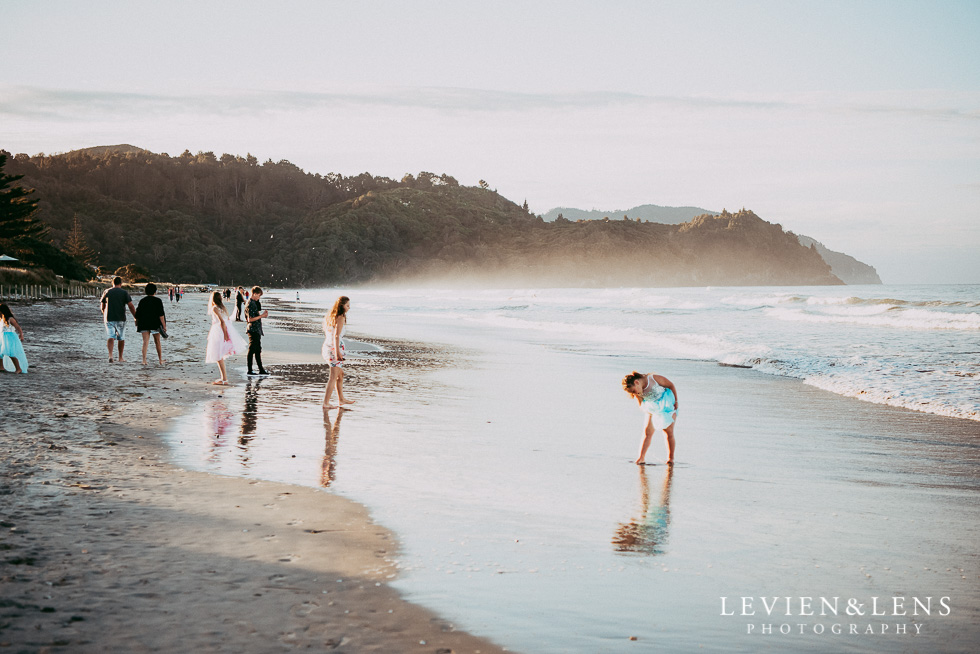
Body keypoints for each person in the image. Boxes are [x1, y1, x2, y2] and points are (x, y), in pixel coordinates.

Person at [623, 370, 679, 465]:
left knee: (668, 432)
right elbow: (641, 405)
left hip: (668, 406)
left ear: (636, 382)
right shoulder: (638, 393)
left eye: (634, 391)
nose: (635, 394)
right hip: (653, 408)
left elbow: (671, 385)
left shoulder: (653, 378)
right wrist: (649, 412)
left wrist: (676, 401)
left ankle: (671, 458)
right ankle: (641, 457)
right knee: (647, 432)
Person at [205, 291, 247, 385]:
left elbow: (222, 322)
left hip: (219, 331)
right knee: (219, 355)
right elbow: (226, 320)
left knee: (218, 354)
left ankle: (224, 379)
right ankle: (223, 378)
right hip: (222, 329)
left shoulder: (215, 308)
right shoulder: (222, 308)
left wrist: (225, 334)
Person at [322, 295, 354, 409]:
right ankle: (326, 403)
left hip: (329, 346)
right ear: (342, 306)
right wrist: (337, 353)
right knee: (333, 376)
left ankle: (341, 399)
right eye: (347, 305)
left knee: (340, 375)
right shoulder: (340, 317)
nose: (349, 308)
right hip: (334, 349)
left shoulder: (330, 316)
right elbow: (336, 336)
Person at [100, 276, 137, 363]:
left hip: (109, 318)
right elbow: (130, 305)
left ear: (112, 283)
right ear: (121, 283)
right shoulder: (124, 292)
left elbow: (102, 305)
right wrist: (135, 316)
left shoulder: (107, 291)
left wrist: (104, 313)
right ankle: (120, 357)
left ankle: (110, 355)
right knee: (121, 337)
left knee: (110, 336)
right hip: (121, 318)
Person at [136, 282, 167, 366]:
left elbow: (137, 314)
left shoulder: (142, 301)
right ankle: (160, 360)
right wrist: (164, 326)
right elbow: (161, 315)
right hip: (155, 324)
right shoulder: (158, 301)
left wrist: (137, 322)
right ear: (155, 291)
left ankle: (144, 360)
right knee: (157, 341)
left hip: (144, 323)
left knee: (145, 342)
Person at [244, 286, 269, 376]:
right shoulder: (250, 303)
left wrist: (262, 314)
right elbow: (249, 319)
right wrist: (262, 316)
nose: (259, 297)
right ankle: (250, 370)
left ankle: (260, 369)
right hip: (252, 329)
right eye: (258, 295)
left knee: (257, 349)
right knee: (252, 349)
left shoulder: (254, 302)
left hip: (256, 329)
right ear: (254, 294)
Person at [0, 303, 28, 373]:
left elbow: (18, 327)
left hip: (10, 337)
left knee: (10, 353)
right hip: (2, 337)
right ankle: (1, 367)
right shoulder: (2, 319)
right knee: (0, 352)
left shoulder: (10, 319)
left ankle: (18, 368)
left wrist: (21, 335)